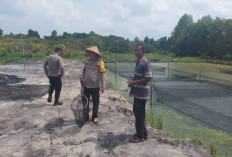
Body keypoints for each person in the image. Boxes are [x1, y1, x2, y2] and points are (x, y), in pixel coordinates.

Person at [128, 43, 152, 143]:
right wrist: (132, 89)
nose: (136, 52)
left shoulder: (145, 62)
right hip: (137, 92)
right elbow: (137, 77)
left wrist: (133, 83)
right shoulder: (139, 62)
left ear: (143, 51)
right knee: (139, 113)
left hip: (142, 94)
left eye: (138, 50)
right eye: (135, 50)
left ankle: (140, 136)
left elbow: (148, 78)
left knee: (139, 115)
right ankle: (144, 133)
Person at [80, 46, 106, 124]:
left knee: (95, 102)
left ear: (95, 54)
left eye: (92, 53)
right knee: (85, 101)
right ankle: (86, 116)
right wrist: (82, 77)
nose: (90, 54)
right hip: (86, 85)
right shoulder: (87, 62)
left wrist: (102, 86)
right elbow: (84, 70)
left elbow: (102, 75)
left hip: (95, 86)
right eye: (90, 52)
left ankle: (95, 116)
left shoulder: (100, 63)